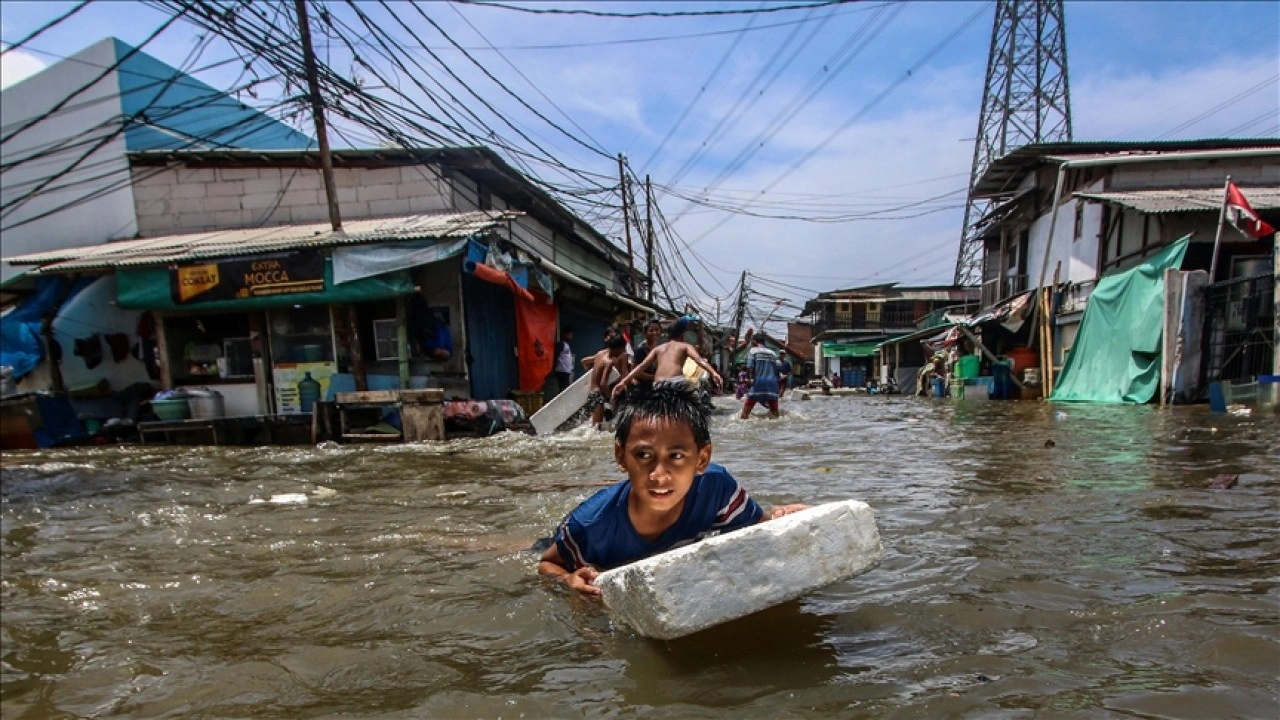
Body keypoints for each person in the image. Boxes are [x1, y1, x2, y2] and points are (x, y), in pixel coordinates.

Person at [537, 382, 809, 595]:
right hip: (567, 540)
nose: (659, 475)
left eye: (676, 457)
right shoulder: (589, 526)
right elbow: (547, 564)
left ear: (701, 459)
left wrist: (780, 518)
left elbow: (753, 528)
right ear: (621, 457)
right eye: (644, 456)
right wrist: (568, 579)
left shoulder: (717, 489)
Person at [610, 318, 722, 400]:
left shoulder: (658, 348)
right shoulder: (686, 346)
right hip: (676, 383)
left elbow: (641, 366)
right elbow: (699, 360)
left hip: (658, 385)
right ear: (682, 335)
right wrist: (714, 373)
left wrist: (623, 382)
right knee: (696, 403)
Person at [585, 335, 630, 429]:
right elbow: (603, 383)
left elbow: (585, 362)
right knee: (597, 429)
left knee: (595, 427)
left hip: (592, 393)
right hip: (599, 396)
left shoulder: (599, 354)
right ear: (618, 348)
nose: (623, 352)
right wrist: (611, 399)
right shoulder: (609, 362)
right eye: (622, 349)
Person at [741, 336, 781, 419]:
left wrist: (750, 380)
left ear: (754, 342)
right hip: (772, 385)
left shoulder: (753, 351)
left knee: (744, 415)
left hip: (758, 384)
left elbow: (750, 367)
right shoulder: (773, 353)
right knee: (775, 415)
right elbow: (778, 370)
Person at [628, 319, 664, 395]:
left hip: (656, 386)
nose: (654, 333)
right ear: (645, 332)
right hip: (643, 388)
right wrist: (653, 377)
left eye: (657, 330)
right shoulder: (641, 349)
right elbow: (635, 372)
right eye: (651, 330)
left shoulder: (660, 347)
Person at [553, 327, 575, 396]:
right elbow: (556, 356)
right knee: (563, 389)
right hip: (561, 370)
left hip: (566, 370)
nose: (570, 337)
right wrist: (553, 368)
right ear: (564, 334)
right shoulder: (561, 344)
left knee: (566, 388)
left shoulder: (566, 345)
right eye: (569, 335)